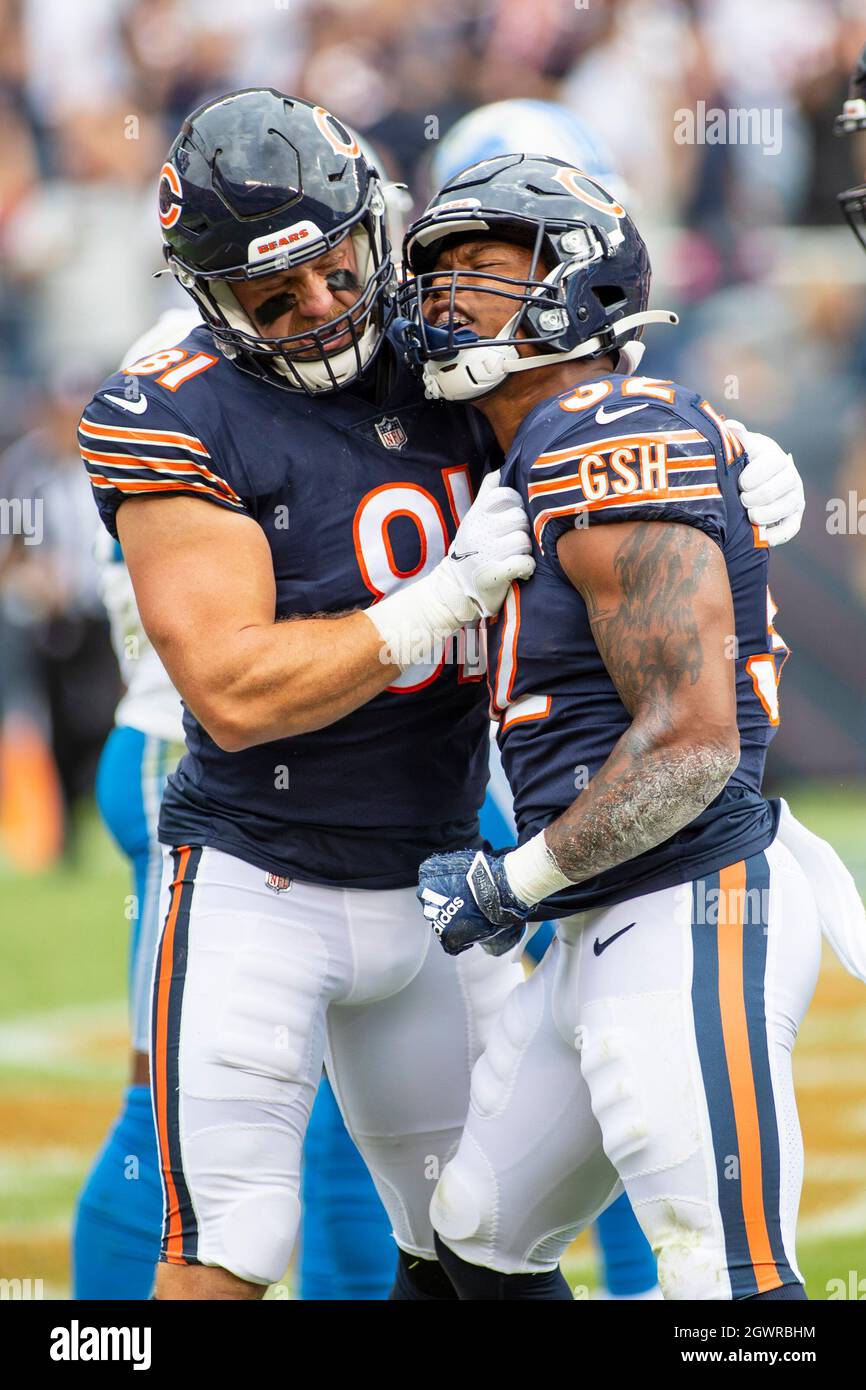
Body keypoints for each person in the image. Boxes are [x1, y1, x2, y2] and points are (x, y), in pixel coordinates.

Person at [76, 89, 808, 1302]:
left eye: (334, 267)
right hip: (260, 868)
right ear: (210, 302)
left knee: (475, 1242)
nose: (319, 309)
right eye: (272, 296)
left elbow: (585, 383)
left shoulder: (439, 345)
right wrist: (433, 603)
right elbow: (234, 691)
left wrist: (719, 449)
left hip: (430, 870)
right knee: (232, 1240)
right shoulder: (174, 404)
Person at [407, 154, 822, 1300]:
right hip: (607, 905)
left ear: (572, 292)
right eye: (433, 275)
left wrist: (509, 884)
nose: (443, 301)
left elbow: (691, 744)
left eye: (480, 273)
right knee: (474, 1241)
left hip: (690, 892)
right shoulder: (542, 440)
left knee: (721, 1279)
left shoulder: (602, 433)